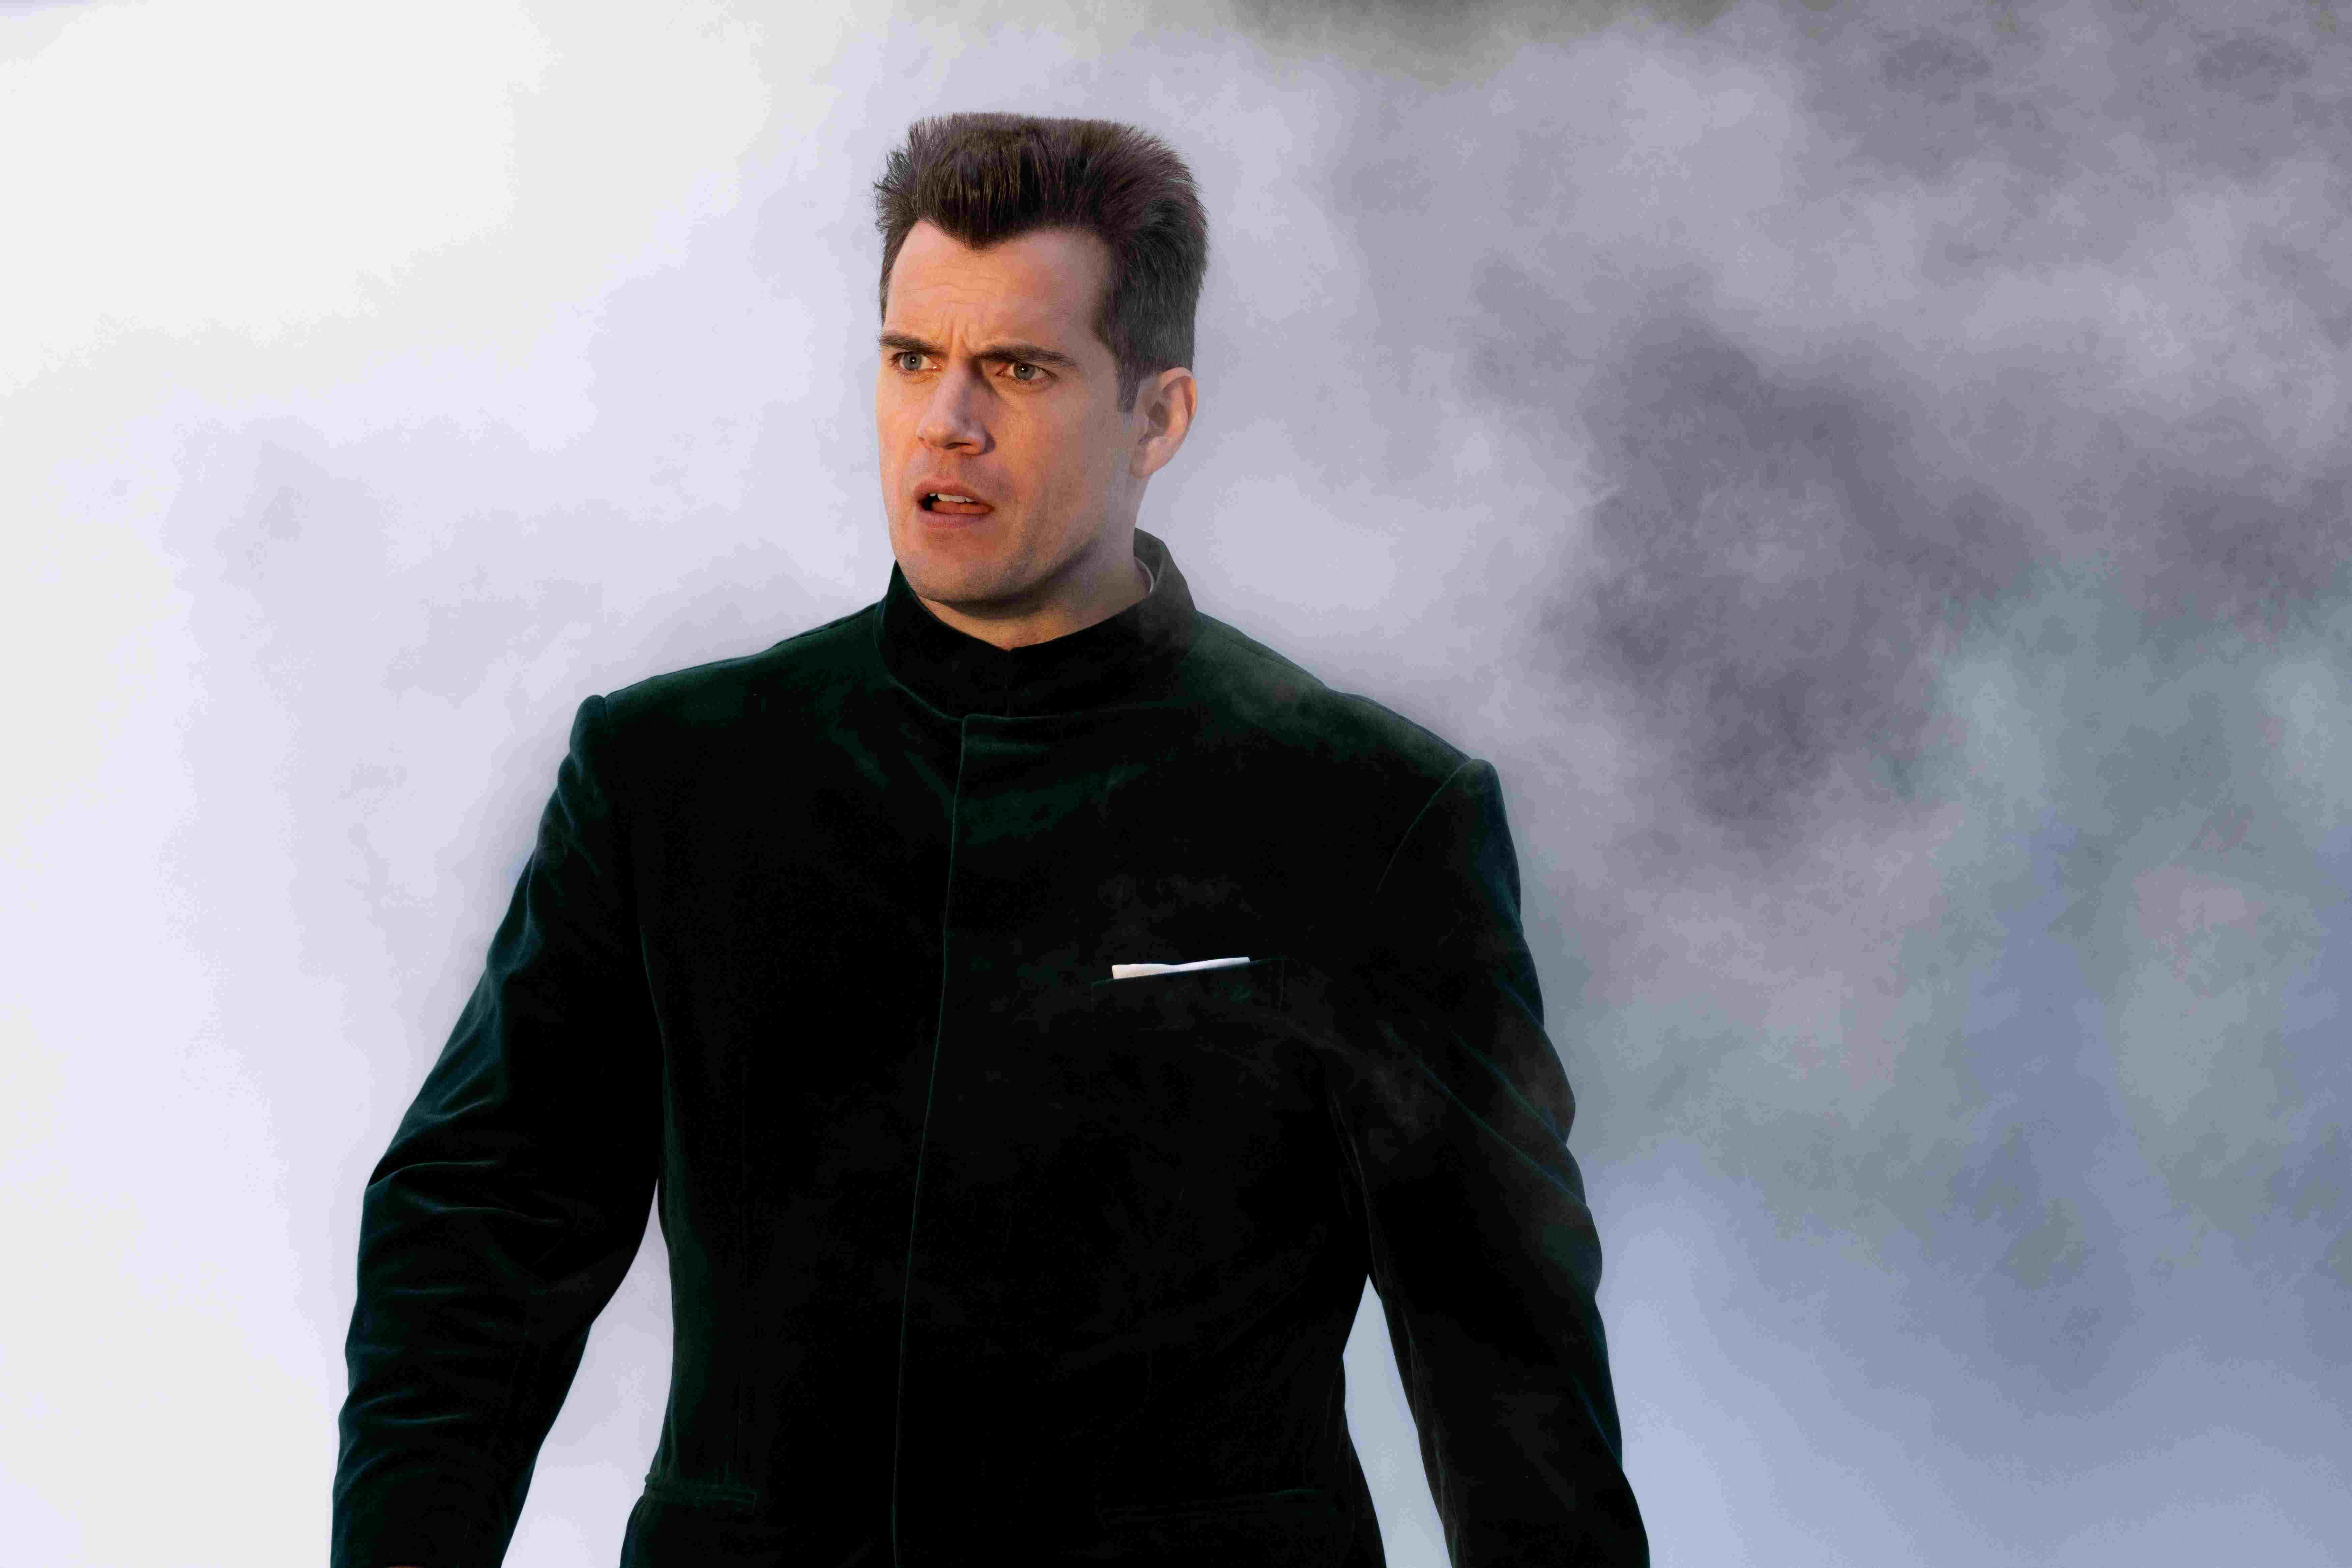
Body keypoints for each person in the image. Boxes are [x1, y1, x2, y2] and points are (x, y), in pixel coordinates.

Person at [332, 111, 1648, 1568]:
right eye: (911, 359)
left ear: (1158, 417)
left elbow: (1509, 1362)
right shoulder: (671, 777)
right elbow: (474, 1237)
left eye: (1019, 369)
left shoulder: (1367, 816)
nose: (945, 422)